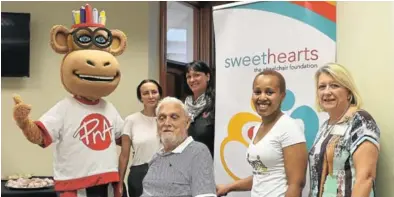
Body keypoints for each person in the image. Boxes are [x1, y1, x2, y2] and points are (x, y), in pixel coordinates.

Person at [12, 3, 127, 196]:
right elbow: (40, 136)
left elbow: (124, 138)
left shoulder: (109, 108)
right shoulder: (65, 107)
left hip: (106, 179)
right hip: (75, 183)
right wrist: (23, 123)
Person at [216, 70, 308, 197]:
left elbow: (296, 184)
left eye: (269, 92)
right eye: (257, 92)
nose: (262, 97)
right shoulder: (258, 127)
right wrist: (229, 187)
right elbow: (263, 176)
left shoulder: (289, 128)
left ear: (282, 96)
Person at [308, 63, 380, 197]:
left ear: (348, 92)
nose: (327, 92)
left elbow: (366, 177)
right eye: (322, 87)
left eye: (334, 85)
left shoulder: (360, 121)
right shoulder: (325, 126)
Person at [140, 97, 217, 197]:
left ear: (187, 122)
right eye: (162, 118)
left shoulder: (198, 152)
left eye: (174, 117)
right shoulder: (156, 157)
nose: (167, 123)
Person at [118, 79, 163, 197]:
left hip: (165, 172)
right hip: (140, 175)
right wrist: (119, 183)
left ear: (160, 95)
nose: (151, 96)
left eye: (154, 92)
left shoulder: (167, 119)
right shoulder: (131, 120)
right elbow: (124, 155)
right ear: (140, 97)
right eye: (146, 93)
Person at [184, 60, 215, 157]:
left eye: (197, 75)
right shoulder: (182, 106)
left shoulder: (215, 104)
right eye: (189, 77)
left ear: (208, 76)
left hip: (209, 164)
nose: (192, 80)